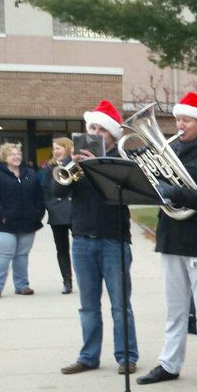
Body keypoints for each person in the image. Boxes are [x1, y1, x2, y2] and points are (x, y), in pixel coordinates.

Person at [137, 92, 197, 390]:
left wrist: (176, 192)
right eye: (177, 119)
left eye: (186, 119)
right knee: (175, 307)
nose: (179, 124)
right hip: (173, 236)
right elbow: (158, 190)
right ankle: (169, 363)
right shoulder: (169, 148)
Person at [60, 99, 139, 375]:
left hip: (113, 240)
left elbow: (119, 193)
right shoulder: (75, 162)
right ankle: (88, 356)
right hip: (82, 239)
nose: (94, 133)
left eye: (100, 129)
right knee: (88, 306)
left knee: (120, 305)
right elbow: (56, 192)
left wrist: (96, 166)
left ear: (112, 134)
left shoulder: (121, 160)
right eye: (90, 128)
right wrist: (69, 164)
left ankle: (126, 356)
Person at [0, 141, 45, 298]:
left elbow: (39, 196)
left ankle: (22, 285)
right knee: (3, 254)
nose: (16, 157)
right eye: (12, 154)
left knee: (22, 255)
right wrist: (1, 215)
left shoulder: (30, 173)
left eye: (18, 154)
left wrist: (38, 213)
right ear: (4, 157)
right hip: (2, 223)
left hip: (27, 223)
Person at [42, 137, 75, 294]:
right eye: (54, 148)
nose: (56, 151)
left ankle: (84, 278)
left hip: (75, 213)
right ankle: (67, 281)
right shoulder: (49, 168)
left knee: (81, 247)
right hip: (58, 214)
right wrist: (51, 207)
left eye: (59, 148)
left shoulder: (75, 164)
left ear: (67, 148)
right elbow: (46, 190)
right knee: (62, 249)